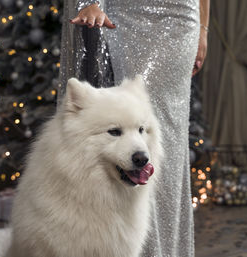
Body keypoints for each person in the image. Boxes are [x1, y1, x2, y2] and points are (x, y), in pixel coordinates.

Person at [59, 0, 209, 256]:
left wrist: (203, 30)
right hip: (124, 14)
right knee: (128, 120)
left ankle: (166, 250)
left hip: (179, 19)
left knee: (164, 135)